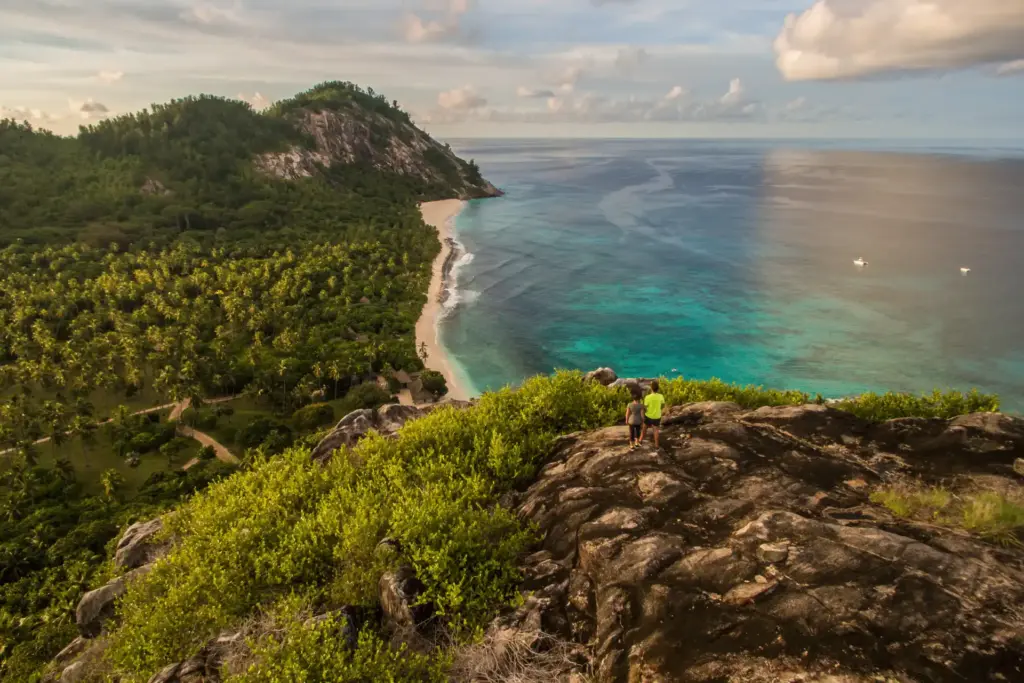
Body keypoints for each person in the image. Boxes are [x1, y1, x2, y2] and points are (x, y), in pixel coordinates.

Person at [641, 380, 666, 448]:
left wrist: (643, 414)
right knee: (656, 430)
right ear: (658, 388)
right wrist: (659, 408)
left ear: (651, 388)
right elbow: (663, 405)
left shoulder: (647, 397)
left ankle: (640, 440)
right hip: (657, 416)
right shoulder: (661, 396)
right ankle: (656, 445)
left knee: (644, 428)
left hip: (648, 415)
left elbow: (645, 407)